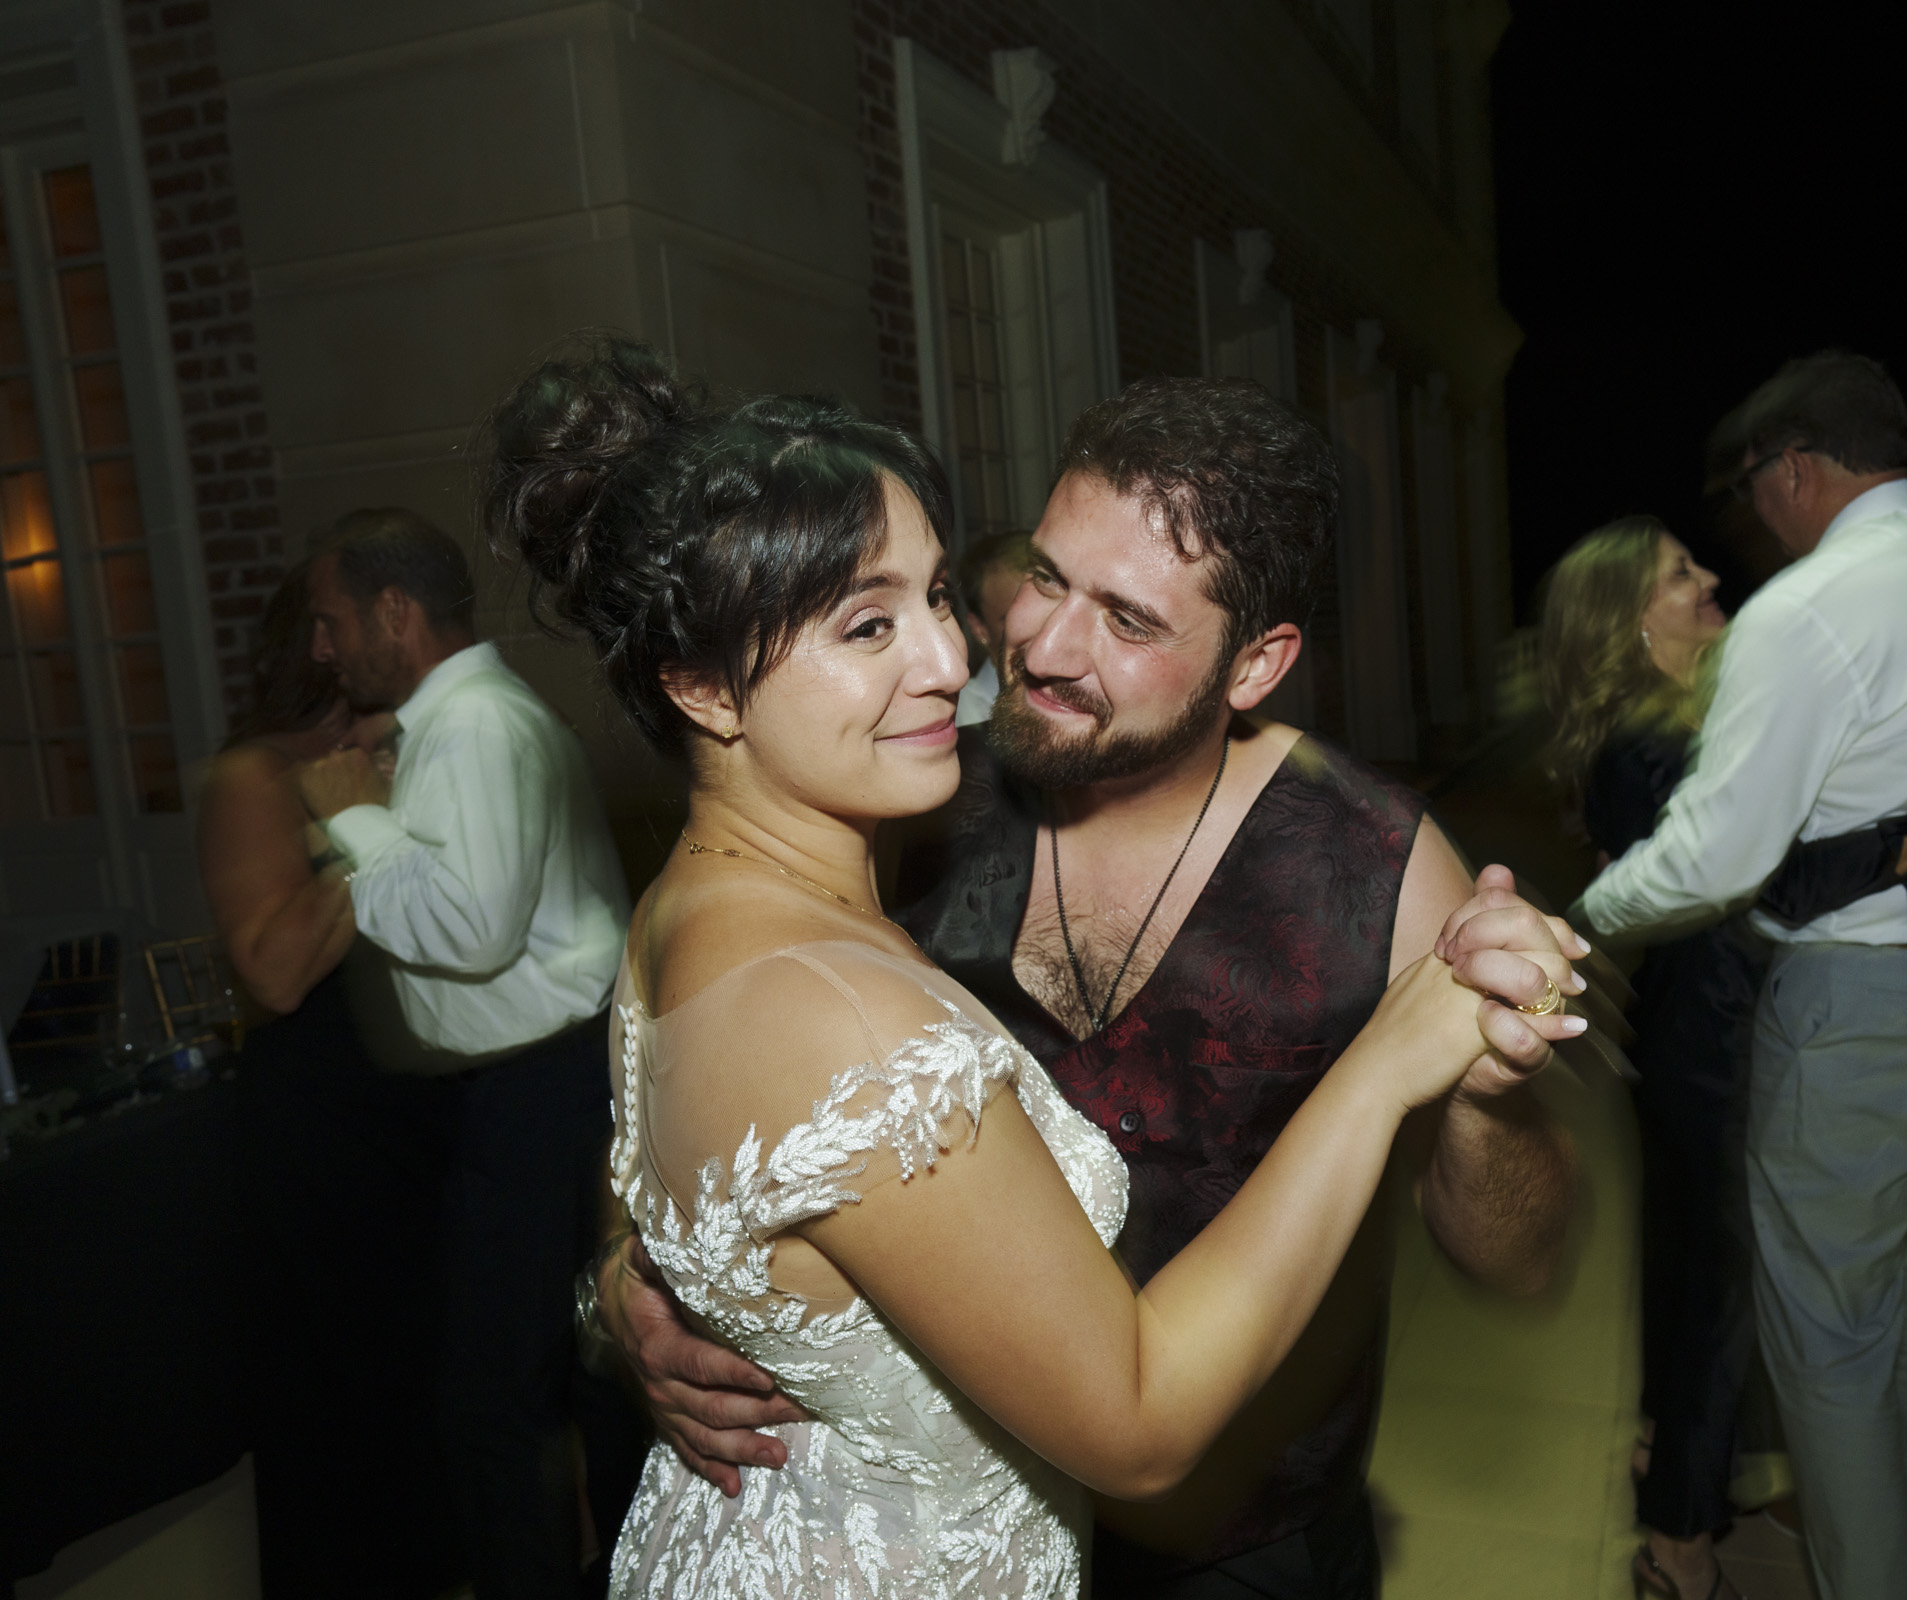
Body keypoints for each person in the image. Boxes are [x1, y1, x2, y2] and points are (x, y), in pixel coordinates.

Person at [484, 339, 1582, 1599]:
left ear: (1256, 663)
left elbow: (1520, 1257)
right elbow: (706, 1090)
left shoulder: (1373, 866)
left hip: (1241, 1545)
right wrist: (630, 1288)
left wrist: (1484, 1103)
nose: (1021, 653)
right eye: (1042, 579)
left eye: (1126, 619)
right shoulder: (891, 790)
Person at [1576, 352, 1907, 1599]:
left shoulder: (1814, 608)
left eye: (1753, 488)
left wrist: (1581, 914)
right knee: (1893, 1268)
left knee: (1826, 1344)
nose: (1745, 530)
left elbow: (1725, 859)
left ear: (1795, 465)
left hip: (1872, 1006)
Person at [292, 509, 645, 1599]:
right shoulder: (462, 721)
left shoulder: (477, 724)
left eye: (332, 621)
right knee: (586, 1377)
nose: (321, 650)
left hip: (547, 1087)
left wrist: (353, 823)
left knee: (496, 1404)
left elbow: (472, 928)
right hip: (553, 1083)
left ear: (395, 614)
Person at [201, 567, 461, 1598]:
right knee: (347, 1393)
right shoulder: (253, 777)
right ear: (317, 645)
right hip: (322, 1118)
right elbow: (269, 967)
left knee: (445, 1374)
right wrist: (366, 836)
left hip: (421, 1099)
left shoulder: (406, 747)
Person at [957, 528, 1036, 726]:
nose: (1044, 632)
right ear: (979, 629)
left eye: (1051, 611)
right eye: (1015, 619)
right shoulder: (963, 719)